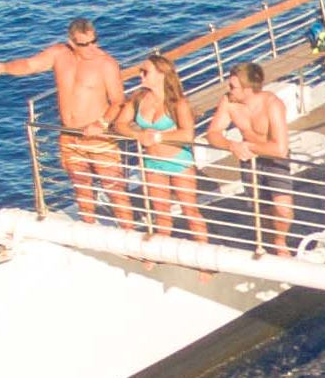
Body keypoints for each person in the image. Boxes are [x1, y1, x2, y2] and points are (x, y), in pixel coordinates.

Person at [0, 17, 133, 225]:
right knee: (82, 189)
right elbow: (30, 64)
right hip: (69, 136)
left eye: (94, 41)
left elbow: (118, 101)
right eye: (84, 44)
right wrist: (5, 67)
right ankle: (89, 230)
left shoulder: (106, 64)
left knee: (114, 189)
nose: (91, 48)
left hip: (99, 137)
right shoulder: (59, 54)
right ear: (72, 42)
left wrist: (101, 123)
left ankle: (130, 235)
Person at [202, 61, 296, 257]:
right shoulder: (229, 103)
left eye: (233, 86)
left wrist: (249, 147)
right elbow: (212, 133)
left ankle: (280, 242)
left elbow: (280, 148)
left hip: (273, 160)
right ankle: (268, 241)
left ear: (248, 89)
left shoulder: (272, 104)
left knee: (283, 208)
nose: (229, 90)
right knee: (260, 208)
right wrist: (231, 145)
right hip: (249, 160)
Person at [118, 52, 210, 243]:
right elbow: (119, 124)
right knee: (161, 212)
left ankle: (205, 259)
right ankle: (162, 252)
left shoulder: (177, 103)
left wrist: (158, 136)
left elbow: (187, 134)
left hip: (178, 161)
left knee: (190, 210)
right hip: (153, 163)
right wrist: (138, 135)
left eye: (145, 71)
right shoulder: (138, 99)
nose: (140, 75)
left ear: (161, 74)